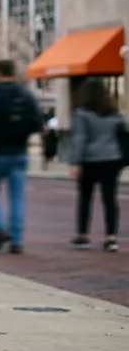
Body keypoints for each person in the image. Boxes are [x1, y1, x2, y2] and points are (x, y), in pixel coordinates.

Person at [0, 60, 43, 254]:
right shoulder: (25, 94)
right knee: (17, 196)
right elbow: (37, 122)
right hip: (19, 151)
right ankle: (16, 239)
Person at [63, 80, 122, 253]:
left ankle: (83, 235)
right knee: (110, 199)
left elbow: (80, 139)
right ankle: (111, 238)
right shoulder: (114, 113)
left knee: (85, 198)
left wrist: (74, 161)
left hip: (90, 159)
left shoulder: (82, 114)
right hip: (112, 158)